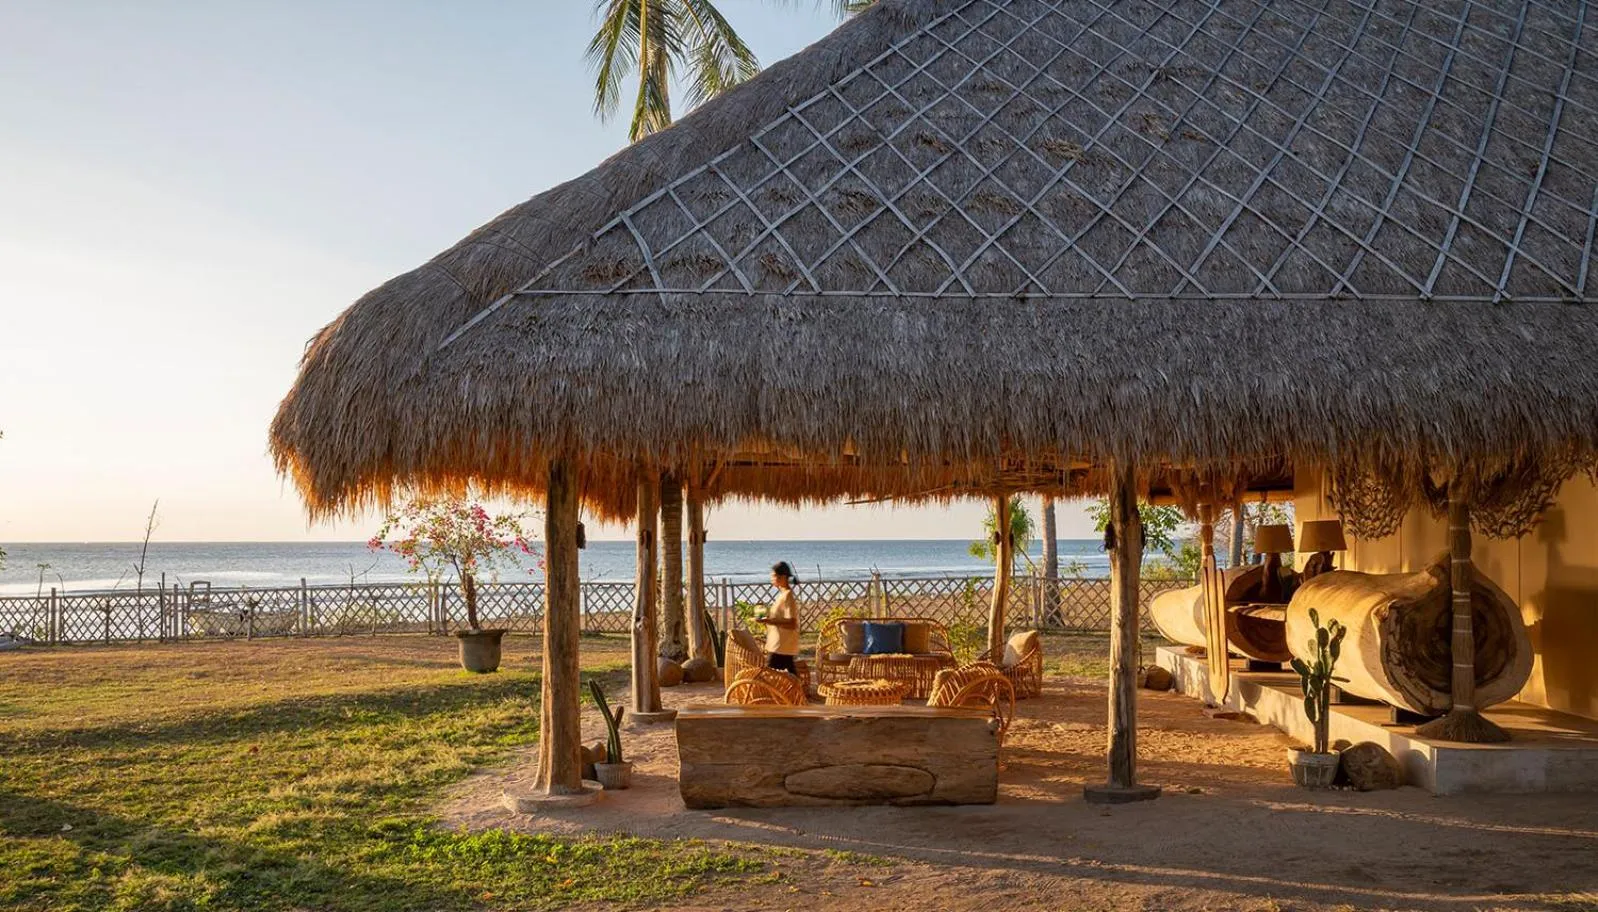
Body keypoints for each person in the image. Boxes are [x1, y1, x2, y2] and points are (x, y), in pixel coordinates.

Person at [755, 561, 801, 674]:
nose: (772, 578)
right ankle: (798, 691)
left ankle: (798, 691)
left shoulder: (788, 596)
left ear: (783, 577)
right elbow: (780, 618)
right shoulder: (783, 595)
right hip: (780, 645)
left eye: (774, 575)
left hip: (781, 646)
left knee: (769, 676)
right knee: (789, 678)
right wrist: (768, 620)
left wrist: (769, 620)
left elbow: (792, 623)